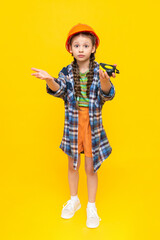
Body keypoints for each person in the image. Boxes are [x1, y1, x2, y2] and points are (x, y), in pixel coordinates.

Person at [31, 23, 117, 228]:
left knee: (90, 167)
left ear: (93, 48)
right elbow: (59, 90)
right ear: (70, 48)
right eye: (76, 45)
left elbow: (108, 94)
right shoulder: (66, 71)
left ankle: (91, 207)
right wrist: (50, 79)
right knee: (72, 165)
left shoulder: (99, 71)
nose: (81, 49)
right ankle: (74, 199)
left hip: (92, 125)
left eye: (85, 45)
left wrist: (105, 80)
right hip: (73, 124)